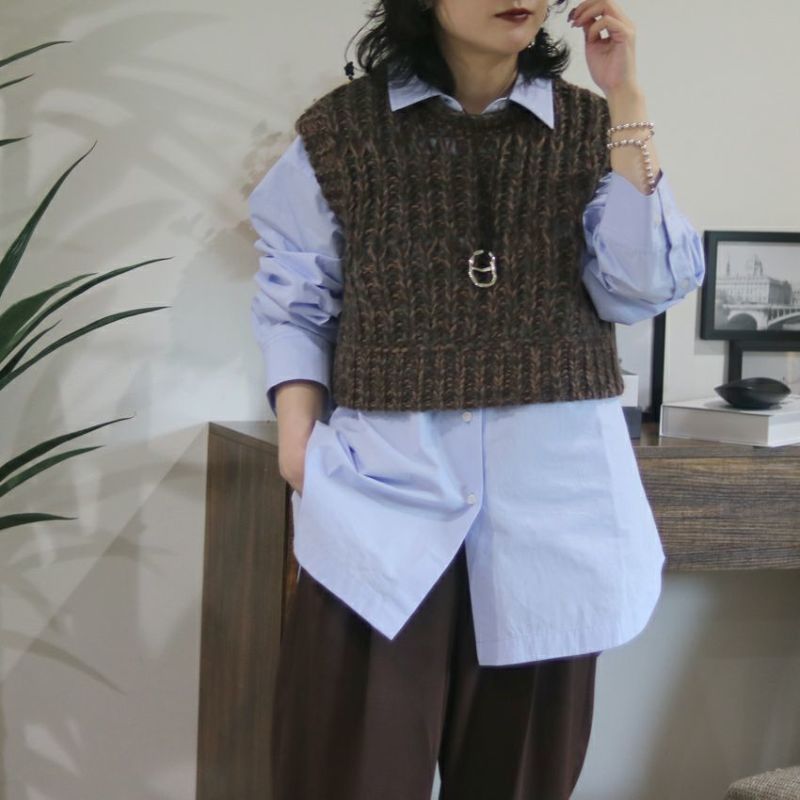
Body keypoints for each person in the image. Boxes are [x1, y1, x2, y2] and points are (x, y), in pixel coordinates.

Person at [247, 0, 705, 797]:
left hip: (551, 514)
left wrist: (627, 99)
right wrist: (297, 449)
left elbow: (643, 286)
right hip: (381, 503)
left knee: (518, 779)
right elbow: (295, 296)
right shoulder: (342, 130)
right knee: (345, 775)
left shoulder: (591, 127)